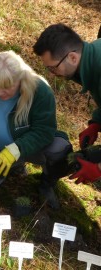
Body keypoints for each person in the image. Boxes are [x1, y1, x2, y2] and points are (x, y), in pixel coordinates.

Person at [0, 50, 72, 209]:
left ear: (20, 80)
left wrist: (14, 150)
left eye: (7, 87)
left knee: (60, 149)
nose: (0, 92)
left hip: (30, 148)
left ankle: (47, 184)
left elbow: (44, 131)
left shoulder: (40, 92)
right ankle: (14, 167)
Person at [33, 23, 101, 184]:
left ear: (72, 57)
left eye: (53, 68)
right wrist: (96, 123)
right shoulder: (90, 60)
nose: (52, 74)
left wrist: (98, 168)